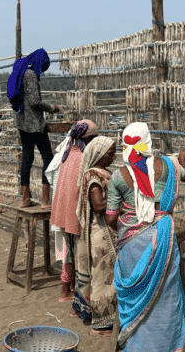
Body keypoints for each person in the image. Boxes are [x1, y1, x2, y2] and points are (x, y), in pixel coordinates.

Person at [107, 122, 185, 351]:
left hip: (132, 247)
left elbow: (109, 217)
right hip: (164, 238)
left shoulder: (118, 176)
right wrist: (183, 161)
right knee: (166, 297)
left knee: (135, 298)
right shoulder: (168, 165)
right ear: (148, 141)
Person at [70, 136, 117, 336]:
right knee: (103, 279)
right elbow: (98, 206)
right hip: (101, 234)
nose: (113, 157)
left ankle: (85, 310)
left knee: (98, 275)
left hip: (100, 233)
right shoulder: (94, 176)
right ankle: (101, 325)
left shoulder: (98, 173)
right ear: (99, 154)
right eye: (110, 153)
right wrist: (122, 203)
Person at [49, 120, 100, 303]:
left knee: (68, 252)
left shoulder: (67, 153)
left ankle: (66, 288)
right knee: (79, 254)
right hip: (74, 212)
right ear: (88, 138)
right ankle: (74, 293)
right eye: (94, 138)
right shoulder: (83, 157)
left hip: (62, 210)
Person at [7, 48, 60, 208]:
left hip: (23, 123)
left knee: (27, 159)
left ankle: (25, 198)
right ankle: (45, 200)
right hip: (34, 124)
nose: (42, 71)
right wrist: (52, 107)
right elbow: (35, 101)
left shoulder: (22, 71)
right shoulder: (30, 75)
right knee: (48, 158)